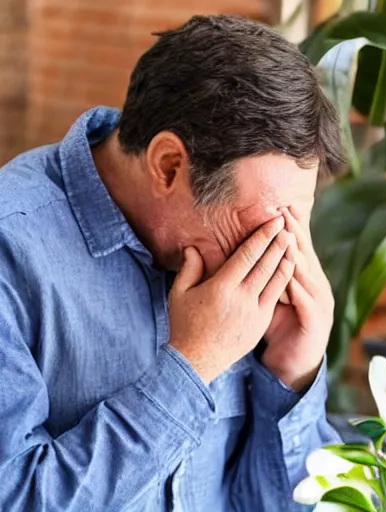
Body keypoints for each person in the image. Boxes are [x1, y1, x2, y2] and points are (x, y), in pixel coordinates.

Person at [0, 14, 344, 512]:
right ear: (169, 165)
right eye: (262, 227)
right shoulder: (12, 246)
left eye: (296, 222)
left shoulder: (256, 282)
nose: (282, 256)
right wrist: (192, 365)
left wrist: (292, 376)